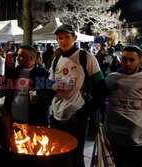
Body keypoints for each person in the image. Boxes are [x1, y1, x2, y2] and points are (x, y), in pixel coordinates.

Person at [49, 24, 107, 167]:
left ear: (75, 38)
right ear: (56, 40)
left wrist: (83, 113)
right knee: (57, 156)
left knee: (75, 158)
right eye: (60, 38)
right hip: (56, 116)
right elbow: (49, 84)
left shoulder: (86, 58)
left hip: (76, 119)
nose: (63, 41)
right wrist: (52, 87)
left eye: (67, 37)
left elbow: (102, 90)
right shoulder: (56, 59)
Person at [105, 46, 142, 167]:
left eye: (131, 60)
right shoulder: (111, 79)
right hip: (113, 141)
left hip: (139, 143)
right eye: (124, 59)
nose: (127, 63)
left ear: (140, 62)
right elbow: (99, 100)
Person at [1, 45, 51, 126]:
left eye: (21, 56)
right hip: (14, 120)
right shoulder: (13, 72)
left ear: (31, 58)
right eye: (17, 55)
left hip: (35, 121)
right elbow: (3, 93)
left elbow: (51, 95)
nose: (17, 58)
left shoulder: (44, 74)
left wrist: (41, 98)